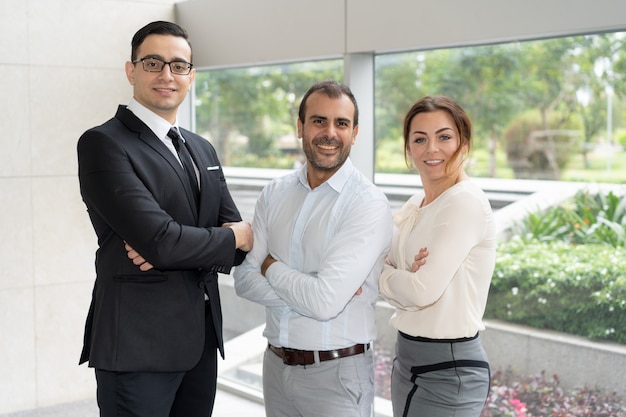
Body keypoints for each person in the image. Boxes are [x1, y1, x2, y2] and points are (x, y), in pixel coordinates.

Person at [77, 21, 253, 417]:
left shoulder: (202, 148)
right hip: (139, 345)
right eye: (154, 63)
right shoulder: (103, 143)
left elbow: (235, 248)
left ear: (191, 76)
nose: (166, 75)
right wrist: (228, 237)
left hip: (201, 342)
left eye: (178, 65)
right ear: (131, 70)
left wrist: (184, 244)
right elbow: (163, 241)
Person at [233, 80, 393, 417]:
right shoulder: (274, 193)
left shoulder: (367, 204)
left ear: (355, 132)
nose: (330, 133)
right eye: (319, 121)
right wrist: (315, 292)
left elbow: (323, 302)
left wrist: (270, 266)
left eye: (342, 123)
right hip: (275, 368)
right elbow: (244, 281)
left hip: (337, 375)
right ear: (300, 127)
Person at [378, 96, 496, 417]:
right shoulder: (418, 202)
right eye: (420, 139)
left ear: (464, 142)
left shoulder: (464, 202)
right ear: (408, 148)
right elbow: (401, 278)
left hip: (449, 370)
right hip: (407, 359)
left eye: (444, 137)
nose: (432, 149)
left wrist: (386, 276)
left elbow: (421, 291)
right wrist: (402, 276)